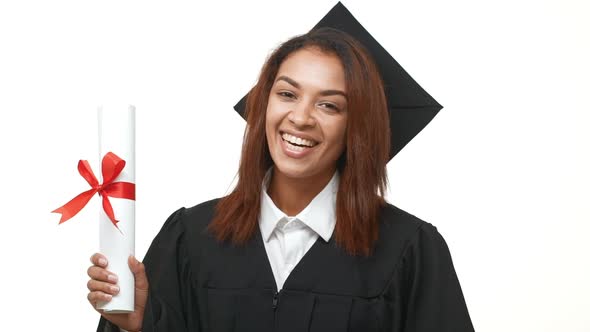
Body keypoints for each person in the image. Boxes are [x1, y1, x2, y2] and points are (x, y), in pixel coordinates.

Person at [87, 5, 475, 332]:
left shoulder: (409, 250)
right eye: (287, 94)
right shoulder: (191, 238)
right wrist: (139, 325)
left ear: (356, 126)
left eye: (330, 105)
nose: (301, 117)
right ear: (264, 105)